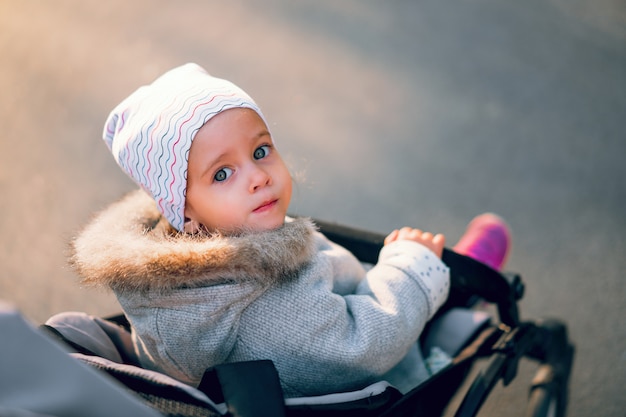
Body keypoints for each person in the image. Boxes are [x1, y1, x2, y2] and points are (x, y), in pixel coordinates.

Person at [70, 63, 510, 398]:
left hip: (345, 303)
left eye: (260, 150)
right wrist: (411, 269)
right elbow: (365, 345)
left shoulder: (183, 287)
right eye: (222, 174)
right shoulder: (264, 312)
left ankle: (444, 276)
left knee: (410, 264)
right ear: (186, 212)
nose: (257, 176)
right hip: (386, 366)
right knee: (431, 277)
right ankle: (449, 282)